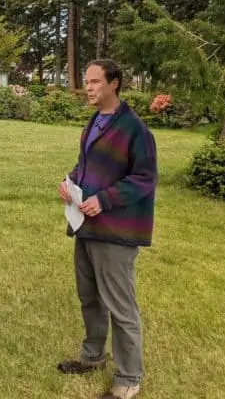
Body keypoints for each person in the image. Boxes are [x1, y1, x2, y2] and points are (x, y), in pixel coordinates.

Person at [57, 59, 158, 399]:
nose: (88, 87)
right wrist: (71, 179)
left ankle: (129, 379)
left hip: (115, 231)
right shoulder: (94, 122)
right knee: (89, 297)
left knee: (120, 305)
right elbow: (88, 164)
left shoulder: (135, 129)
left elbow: (145, 178)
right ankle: (92, 356)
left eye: (95, 81)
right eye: (86, 81)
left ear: (114, 83)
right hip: (85, 226)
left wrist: (105, 199)